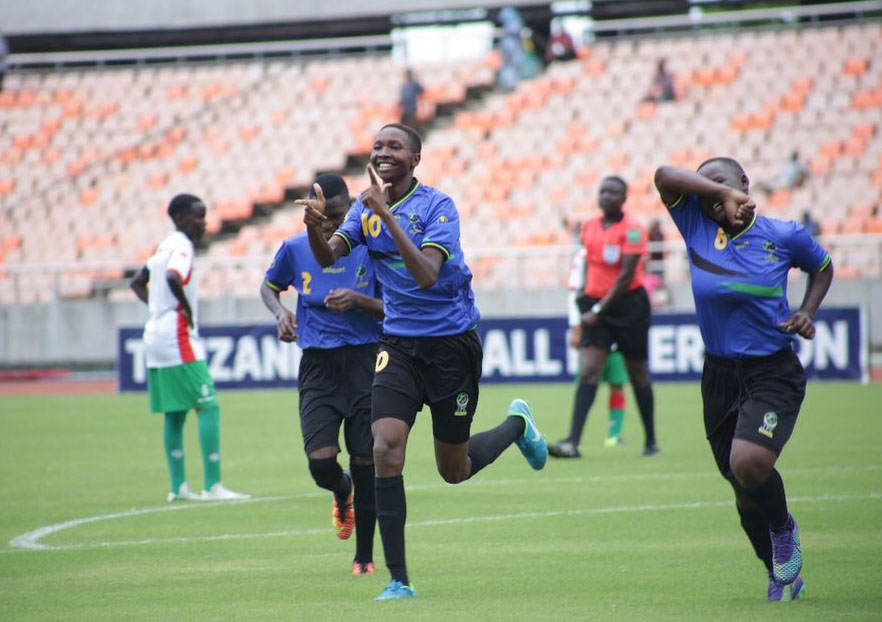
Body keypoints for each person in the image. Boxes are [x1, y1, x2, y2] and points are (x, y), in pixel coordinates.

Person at [301, 123, 547, 601]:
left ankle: (518, 424)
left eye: (395, 146)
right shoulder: (362, 209)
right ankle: (398, 579)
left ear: (416, 158)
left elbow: (428, 275)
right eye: (378, 146)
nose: (384, 152)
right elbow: (329, 257)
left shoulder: (438, 206)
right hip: (398, 345)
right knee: (385, 447)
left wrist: (386, 215)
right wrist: (315, 228)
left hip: (452, 346)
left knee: (452, 470)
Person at [653, 157, 833, 602]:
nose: (713, 195)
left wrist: (807, 312)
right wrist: (717, 194)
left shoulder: (782, 235)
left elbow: (823, 267)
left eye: (724, 185)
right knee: (742, 490)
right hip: (718, 376)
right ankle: (781, 575)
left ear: (745, 184)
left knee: (748, 464)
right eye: (705, 190)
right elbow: (662, 176)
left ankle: (783, 528)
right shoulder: (694, 224)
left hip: (771, 370)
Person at [260, 174, 383, 576]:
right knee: (320, 465)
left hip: (366, 362)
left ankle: (364, 555)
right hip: (318, 367)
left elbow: (395, 307)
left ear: (351, 208)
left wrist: (360, 301)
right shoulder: (297, 249)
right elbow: (268, 287)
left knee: (367, 460)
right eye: (323, 217)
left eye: (337, 214)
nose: (331, 224)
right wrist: (281, 313)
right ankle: (339, 489)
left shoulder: (371, 247)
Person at [130, 194, 250, 502]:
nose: (204, 223)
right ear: (182, 218)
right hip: (177, 335)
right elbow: (173, 277)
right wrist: (185, 309)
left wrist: (157, 308)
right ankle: (213, 486)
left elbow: (136, 282)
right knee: (207, 404)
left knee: (175, 412)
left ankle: (178, 487)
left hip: (156, 332)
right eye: (199, 216)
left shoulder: (163, 246)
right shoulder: (182, 245)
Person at [549, 176, 658, 458]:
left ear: (624, 198)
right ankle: (572, 442)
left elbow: (625, 277)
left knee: (637, 374)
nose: (607, 196)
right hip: (597, 308)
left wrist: (597, 311)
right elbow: (586, 264)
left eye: (614, 192)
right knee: (588, 371)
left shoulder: (633, 230)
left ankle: (651, 441)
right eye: (603, 191)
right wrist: (584, 300)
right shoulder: (589, 226)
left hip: (628, 307)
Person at [567, 246, 628, 449]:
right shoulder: (585, 256)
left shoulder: (620, 251)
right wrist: (576, 328)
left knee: (617, 382)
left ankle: (613, 434)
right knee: (586, 380)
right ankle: (575, 437)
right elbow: (574, 292)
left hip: (617, 323)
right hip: (591, 328)